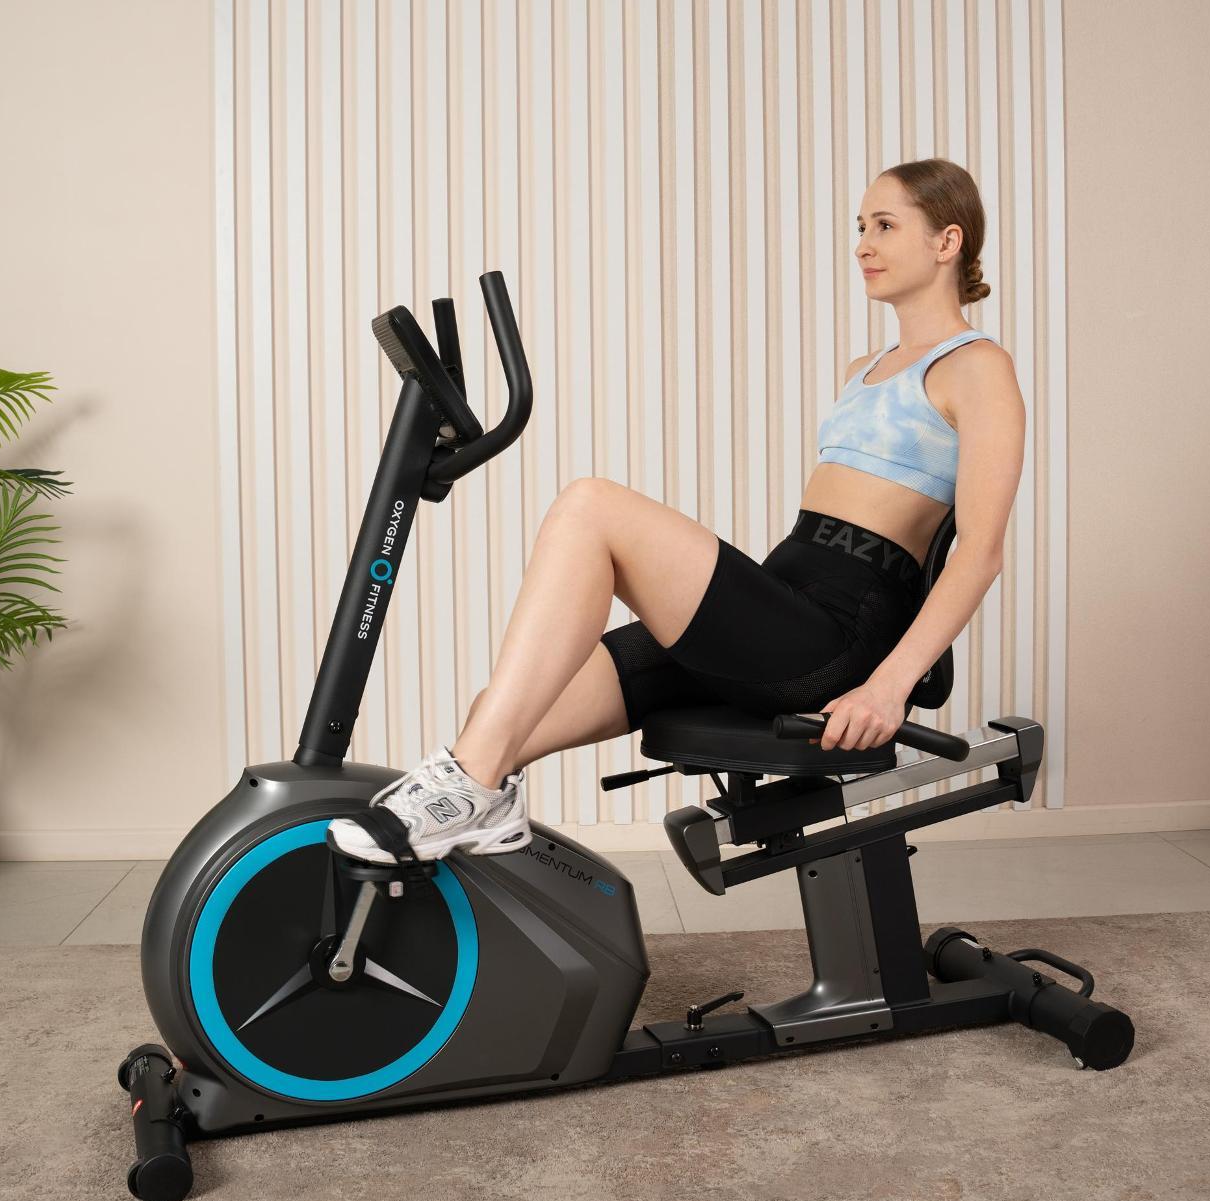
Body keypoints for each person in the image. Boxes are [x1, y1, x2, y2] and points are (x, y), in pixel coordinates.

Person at [328, 157, 1025, 865]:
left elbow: (980, 549)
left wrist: (887, 687)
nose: (863, 245)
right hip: (778, 611)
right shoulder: (863, 368)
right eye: (860, 227)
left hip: (832, 638)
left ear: (947, 242)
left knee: (590, 506)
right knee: (499, 718)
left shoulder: (978, 367)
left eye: (884, 226)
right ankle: (474, 815)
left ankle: (464, 796)